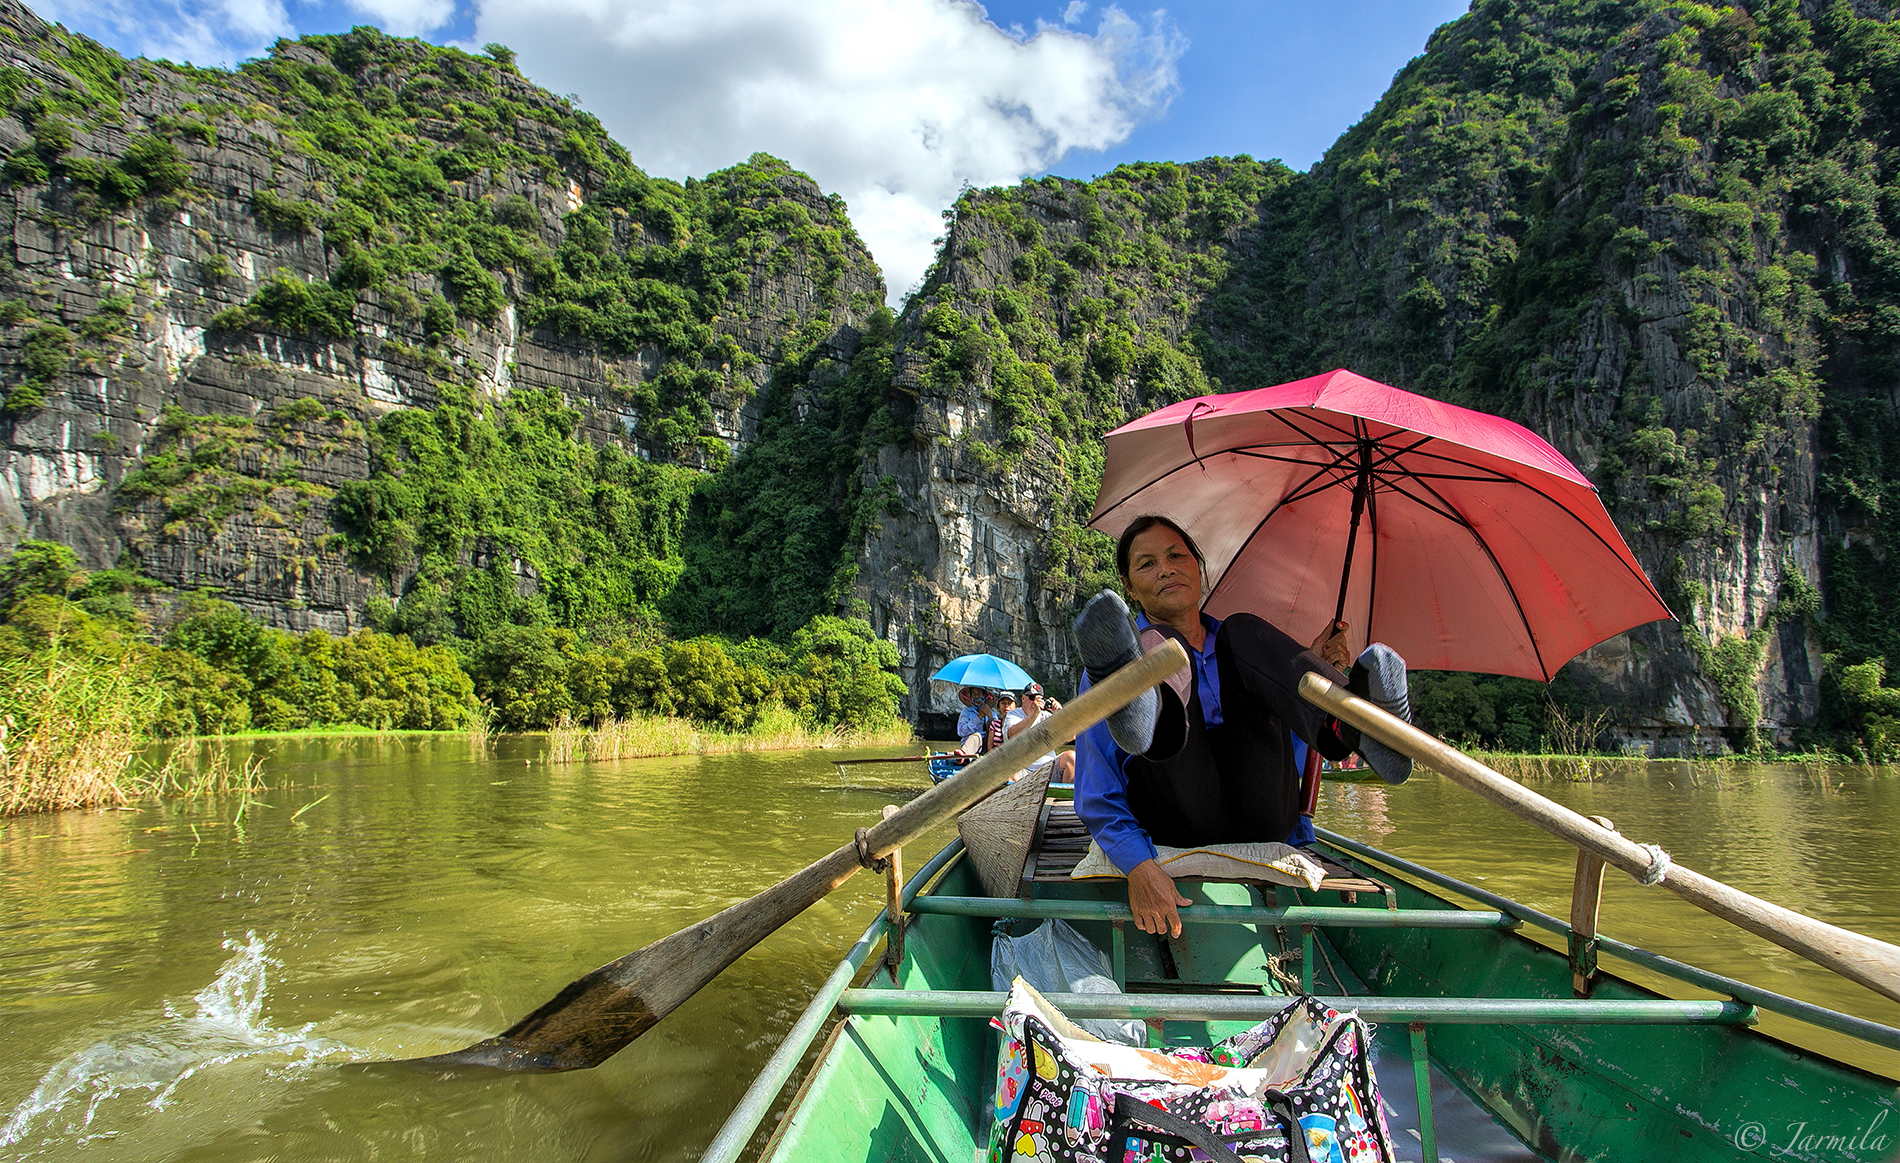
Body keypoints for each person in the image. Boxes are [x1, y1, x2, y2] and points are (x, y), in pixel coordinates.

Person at [1071, 514, 1412, 940]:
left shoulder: (1242, 652)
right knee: (1160, 649)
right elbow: (1096, 789)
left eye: (1177, 555)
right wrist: (1138, 866)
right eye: (1147, 564)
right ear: (1129, 585)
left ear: (1198, 565)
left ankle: (1358, 725)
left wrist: (1318, 677)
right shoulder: (1112, 667)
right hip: (1177, 814)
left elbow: (1286, 753)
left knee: (1242, 628)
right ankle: (1146, 711)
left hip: (1264, 815)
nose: (1166, 568)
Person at [1007, 681, 1076, 784]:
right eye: (1031, 698)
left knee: (1071, 757)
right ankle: (1021, 798)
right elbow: (1012, 734)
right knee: (1006, 766)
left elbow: (1071, 737)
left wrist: (1061, 715)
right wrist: (1035, 713)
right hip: (1023, 771)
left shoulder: (1047, 716)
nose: (1034, 702)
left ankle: (1063, 798)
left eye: (1038, 699)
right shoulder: (1014, 715)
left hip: (1047, 770)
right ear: (1023, 698)